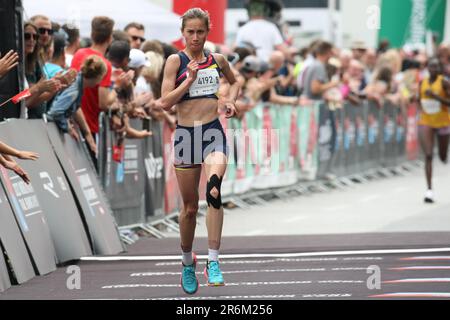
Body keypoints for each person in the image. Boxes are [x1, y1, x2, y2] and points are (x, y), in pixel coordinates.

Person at [160, 8, 240, 295]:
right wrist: (188, 80)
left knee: (214, 191)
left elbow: (235, 80)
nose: (195, 37)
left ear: (208, 32)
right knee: (190, 209)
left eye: (200, 32)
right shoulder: (175, 61)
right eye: (190, 32)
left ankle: (214, 261)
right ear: (183, 32)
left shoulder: (217, 60)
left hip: (212, 132)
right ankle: (186, 262)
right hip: (186, 136)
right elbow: (164, 103)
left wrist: (229, 100)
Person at [47, 55, 107, 154]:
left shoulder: (78, 84)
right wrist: (66, 126)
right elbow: (55, 112)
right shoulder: (74, 88)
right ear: (97, 77)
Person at [418, 58, 450, 203]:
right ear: (427, 68)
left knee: (442, 157)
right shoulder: (422, 83)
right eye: (431, 66)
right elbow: (420, 99)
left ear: (440, 69)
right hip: (426, 121)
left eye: (436, 67)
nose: (433, 69)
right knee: (429, 155)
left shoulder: (444, 82)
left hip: (443, 122)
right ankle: (429, 190)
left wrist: (435, 96)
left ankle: (444, 154)